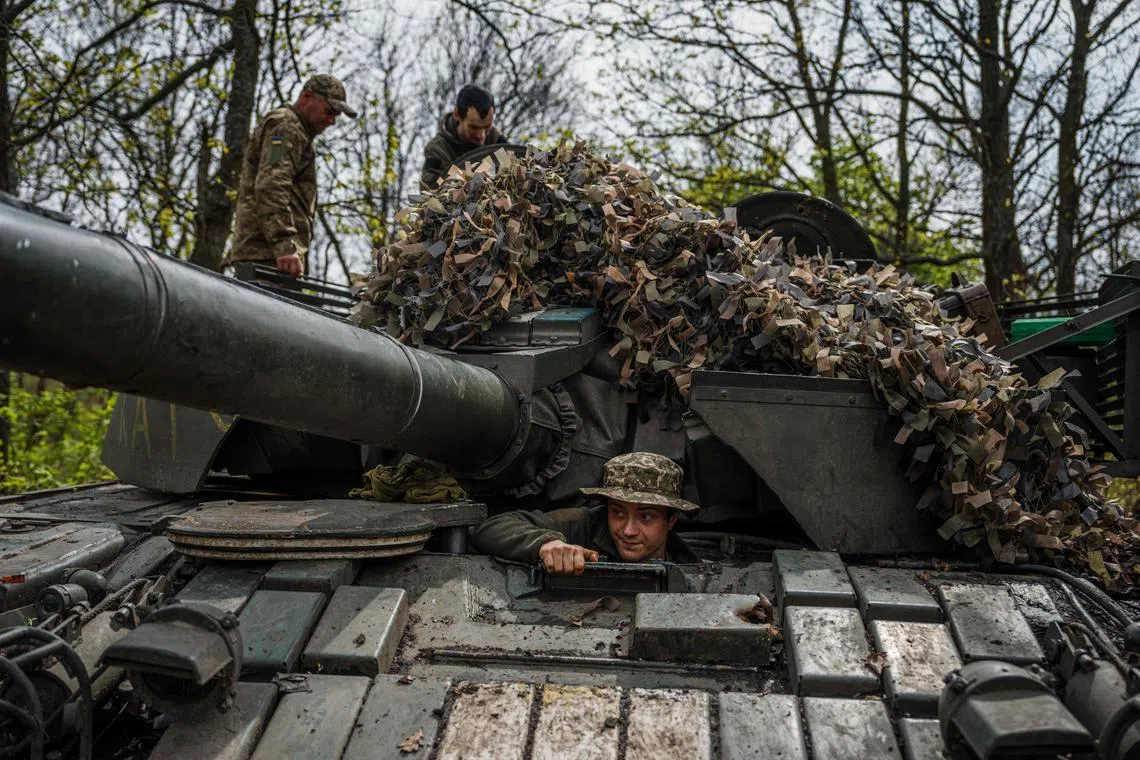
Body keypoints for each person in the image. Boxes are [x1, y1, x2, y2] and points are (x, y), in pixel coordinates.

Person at [470, 452, 701, 574]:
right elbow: (491, 528)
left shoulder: (691, 569)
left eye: (646, 516)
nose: (628, 531)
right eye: (618, 513)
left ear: (671, 520)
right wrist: (546, 544)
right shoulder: (583, 523)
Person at [228, 74, 357, 278]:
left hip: (275, 257)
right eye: (329, 111)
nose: (332, 121)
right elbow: (271, 185)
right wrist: (284, 245)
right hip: (267, 256)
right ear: (307, 97)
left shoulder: (296, 132)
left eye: (336, 116)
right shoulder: (285, 126)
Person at [420, 84, 507, 189]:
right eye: (474, 127)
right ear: (457, 114)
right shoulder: (438, 149)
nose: (481, 135)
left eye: (487, 127)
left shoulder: (496, 139)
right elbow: (429, 191)